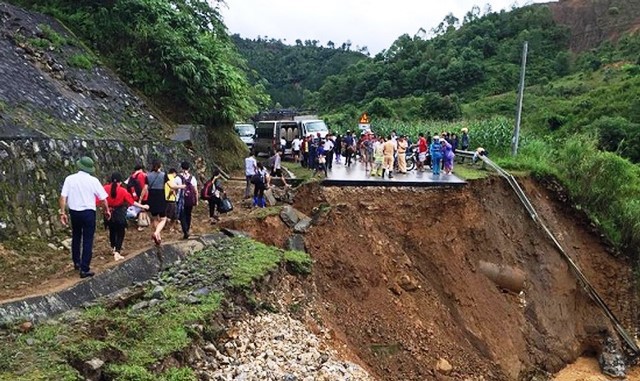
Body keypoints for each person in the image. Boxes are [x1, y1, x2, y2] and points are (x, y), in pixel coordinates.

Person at [59, 156, 110, 278]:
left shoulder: (70, 179)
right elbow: (103, 199)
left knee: (76, 236)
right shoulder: (93, 181)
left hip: (74, 212)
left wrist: (62, 212)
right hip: (88, 212)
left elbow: (63, 197)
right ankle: (84, 268)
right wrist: (106, 210)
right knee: (88, 239)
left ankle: (76, 262)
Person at [103, 172, 149, 260]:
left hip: (108, 213)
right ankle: (117, 251)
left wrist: (105, 209)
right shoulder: (122, 190)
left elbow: (99, 200)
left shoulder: (104, 188)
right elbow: (132, 202)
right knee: (121, 232)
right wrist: (143, 206)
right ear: (120, 182)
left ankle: (113, 247)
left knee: (112, 230)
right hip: (119, 213)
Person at [146, 159, 174, 245]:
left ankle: (158, 237)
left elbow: (145, 188)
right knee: (163, 218)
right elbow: (171, 185)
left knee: (154, 218)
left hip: (151, 197)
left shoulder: (148, 175)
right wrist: (182, 186)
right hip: (160, 197)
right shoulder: (163, 175)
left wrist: (140, 199)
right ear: (160, 166)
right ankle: (156, 233)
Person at [174, 161, 198, 240]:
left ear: (181, 168)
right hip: (190, 200)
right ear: (189, 168)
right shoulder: (192, 178)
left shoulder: (177, 178)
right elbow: (195, 191)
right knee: (188, 214)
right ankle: (187, 229)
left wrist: (175, 196)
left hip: (181, 200)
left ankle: (185, 231)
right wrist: (196, 200)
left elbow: (173, 188)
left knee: (182, 215)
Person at [164, 168, 178, 233]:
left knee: (166, 214)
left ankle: (165, 227)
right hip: (171, 199)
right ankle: (170, 228)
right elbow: (172, 189)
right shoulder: (172, 178)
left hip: (165, 199)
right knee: (173, 215)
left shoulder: (165, 177)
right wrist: (174, 195)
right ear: (174, 173)